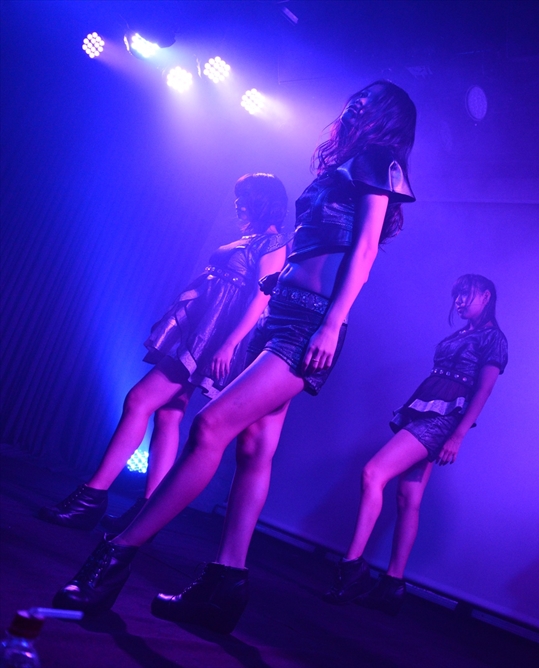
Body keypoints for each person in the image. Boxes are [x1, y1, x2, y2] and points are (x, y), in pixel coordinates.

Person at [52, 81, 418, 635]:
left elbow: (364, 249)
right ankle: (225, 586)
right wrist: (277, 291)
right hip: (283, 312)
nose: (356, 103)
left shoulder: (376, 158)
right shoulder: (346, 163)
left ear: (388, 118)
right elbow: (312, 243)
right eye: (358, 96)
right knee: (253, 448)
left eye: (370, 101)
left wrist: (332, 322)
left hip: (310, 323)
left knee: (209, 427)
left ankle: (114, 557)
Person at [38, 173, 289, 533]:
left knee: (139, 400)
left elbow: (261, 299)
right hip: (201, 329)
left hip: (212, 336)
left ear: (263, 200)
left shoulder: (273, 242)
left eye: (245, 197)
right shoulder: (251, 239)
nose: (238, 203)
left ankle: (91, 497)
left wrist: (229, 344)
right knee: (169, 414)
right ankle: (145, 514)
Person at [324, 274, 507, 615]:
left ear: (485, 295)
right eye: (456, 296)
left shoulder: (493, 338)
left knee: (373, 473)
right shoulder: (462, 333)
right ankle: (392, 584)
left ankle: (352, 567)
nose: (458, 301)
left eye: (465, 295)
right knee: (408, 498)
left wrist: (458, 435)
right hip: (423, 409)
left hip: (443, 419)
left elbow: (483, 391)